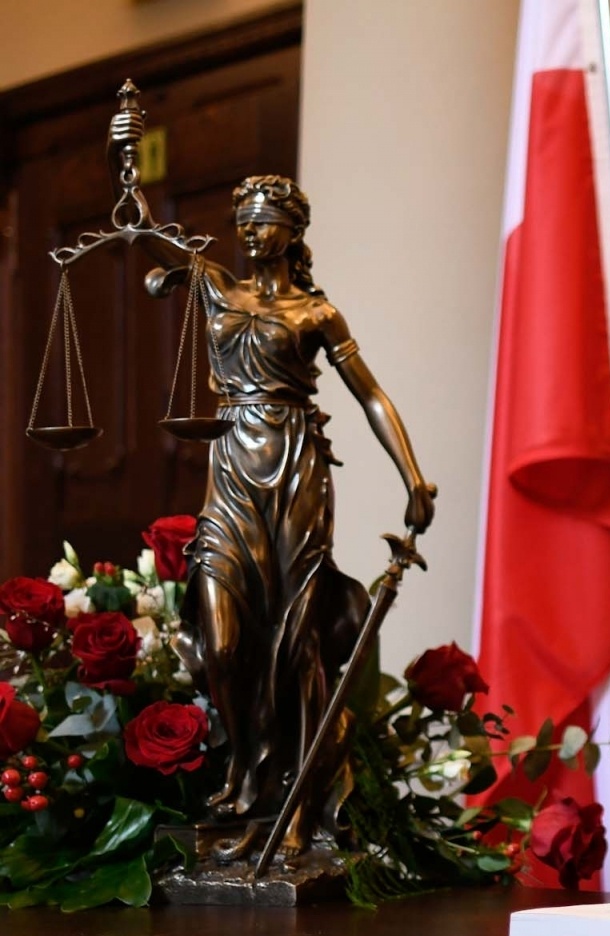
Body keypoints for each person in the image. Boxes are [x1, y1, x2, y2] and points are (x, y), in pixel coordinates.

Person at [121, 169, 434, 858]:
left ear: (294, 232)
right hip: (231, 471)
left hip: (296, 473)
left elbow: (371, 396)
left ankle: (288, 797)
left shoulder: (317, 315)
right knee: (225, 640)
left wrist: (412, 476)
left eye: (266, 220)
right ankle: (243, 772)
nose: (253, 232)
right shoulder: (215, 286)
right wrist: (128, 162)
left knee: (295, 644)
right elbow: (146, 232)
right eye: (245, 221)